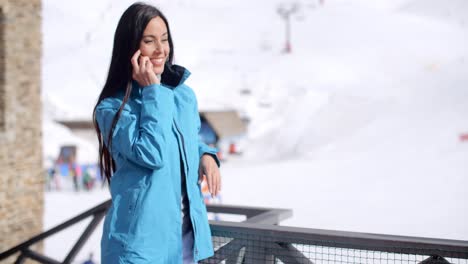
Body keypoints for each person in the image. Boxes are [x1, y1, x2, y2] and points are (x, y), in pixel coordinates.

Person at [92, 3, 221, 263]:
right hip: (138, 247)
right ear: (131, 48)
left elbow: (185, 141)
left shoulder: (183, 96)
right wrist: (152, 91)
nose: (161, 50)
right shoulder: (111, 109)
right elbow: (151, 153)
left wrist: (205, 154)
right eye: (149, 41)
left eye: (164, 39)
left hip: (184, 241)